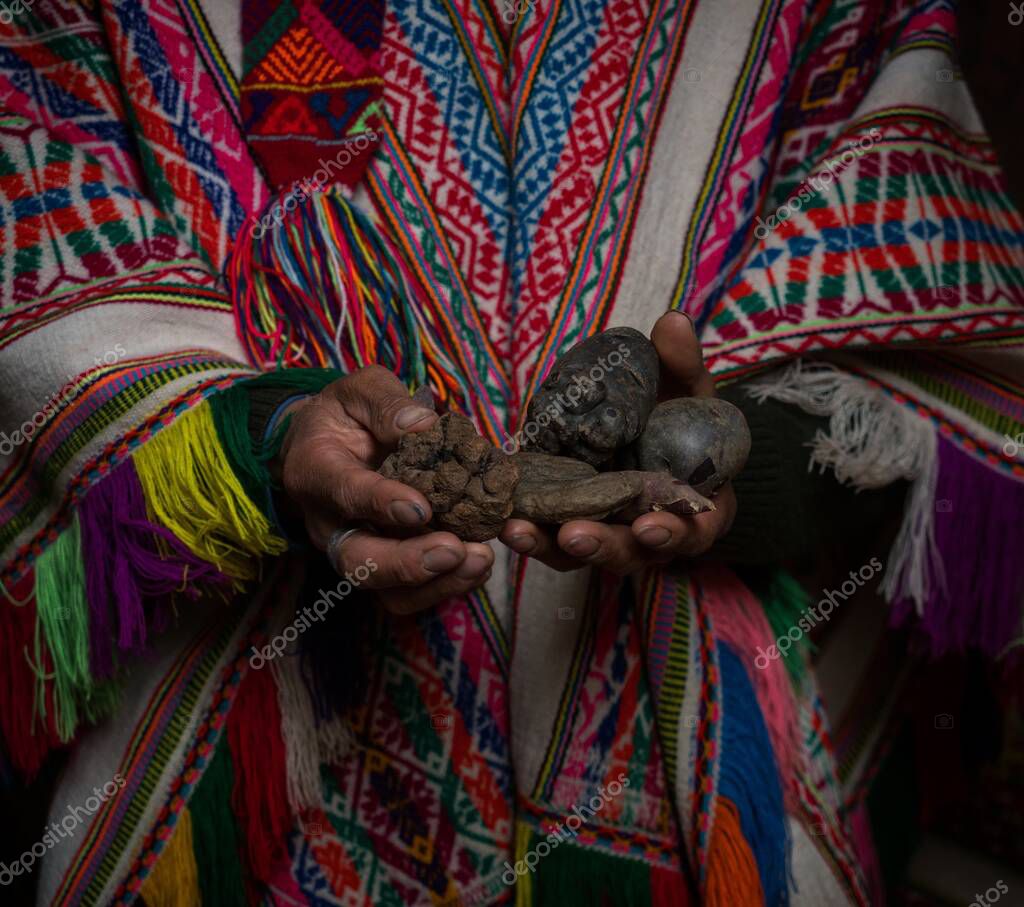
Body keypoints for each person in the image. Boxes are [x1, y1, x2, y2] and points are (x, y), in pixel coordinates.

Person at [1, 2, 1021, 905]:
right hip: (273, 784)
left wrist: (741, 471)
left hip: (690, 785)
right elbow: (48, 270)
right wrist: (269, 437)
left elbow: (927, 359)